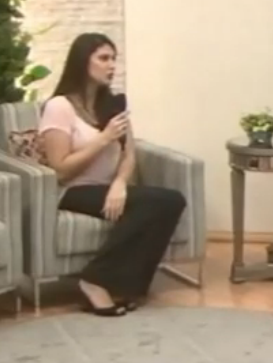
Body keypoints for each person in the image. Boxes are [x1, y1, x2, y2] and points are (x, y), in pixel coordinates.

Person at [39, 32, 187, 317]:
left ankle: (127, 286)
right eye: (104, 58)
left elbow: (129, 154)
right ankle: (94, 280)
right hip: (73, 190)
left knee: (171, 200)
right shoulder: (59, 107)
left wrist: (119, 184)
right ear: (83, 61)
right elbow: (60, 169)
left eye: (113, 59)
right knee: (156, 203)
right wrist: (103, 138)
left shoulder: (115, 104)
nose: (111, 66)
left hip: (108, 188)